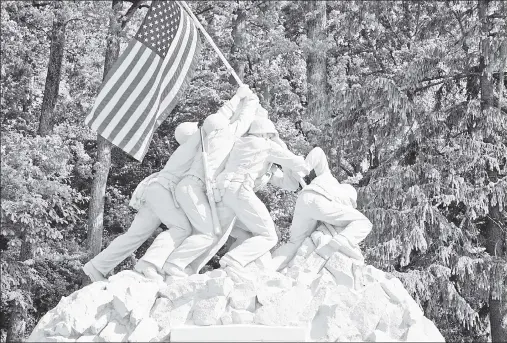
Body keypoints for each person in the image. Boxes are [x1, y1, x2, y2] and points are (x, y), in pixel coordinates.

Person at [81, 121, 201, 283]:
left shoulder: (186, 150)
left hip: (155, 191)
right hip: (163, 191)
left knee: (135, 235)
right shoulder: (192, 146)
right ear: (192, 135)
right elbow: (211, 129)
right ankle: (149, 263)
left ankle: (96, 267)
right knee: (182, 228)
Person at [162, 85, 261, 277]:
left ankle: (183, 266)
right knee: (209, 233)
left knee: (206, 232)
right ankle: (174, 264)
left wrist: (237, 97)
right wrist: (250, 99)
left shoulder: (203, 140)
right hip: (193, 187)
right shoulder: (224, 136)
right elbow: (243, 120)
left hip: (191, 188)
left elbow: (219, 117)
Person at [212, 117, 310, 274]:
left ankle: (227, 269)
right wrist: (284, 149)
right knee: (269, 236)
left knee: (242, 234)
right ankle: (234, 260)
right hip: (239, 191)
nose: (271, 138)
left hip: (224, 194)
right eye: (270, 135)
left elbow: (289, 185)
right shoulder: (262, 145)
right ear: (265, 133)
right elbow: (296, 162)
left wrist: (287, 167)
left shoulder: (246, 148)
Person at [271, 147, 373, 271]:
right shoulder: (339, 195)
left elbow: (318, 152)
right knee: (364, 222)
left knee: (294, 244)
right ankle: (342, 241)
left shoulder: (327, 176)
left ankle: (269, 267)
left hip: (304, 198)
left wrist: (304, 168)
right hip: (320, 201)